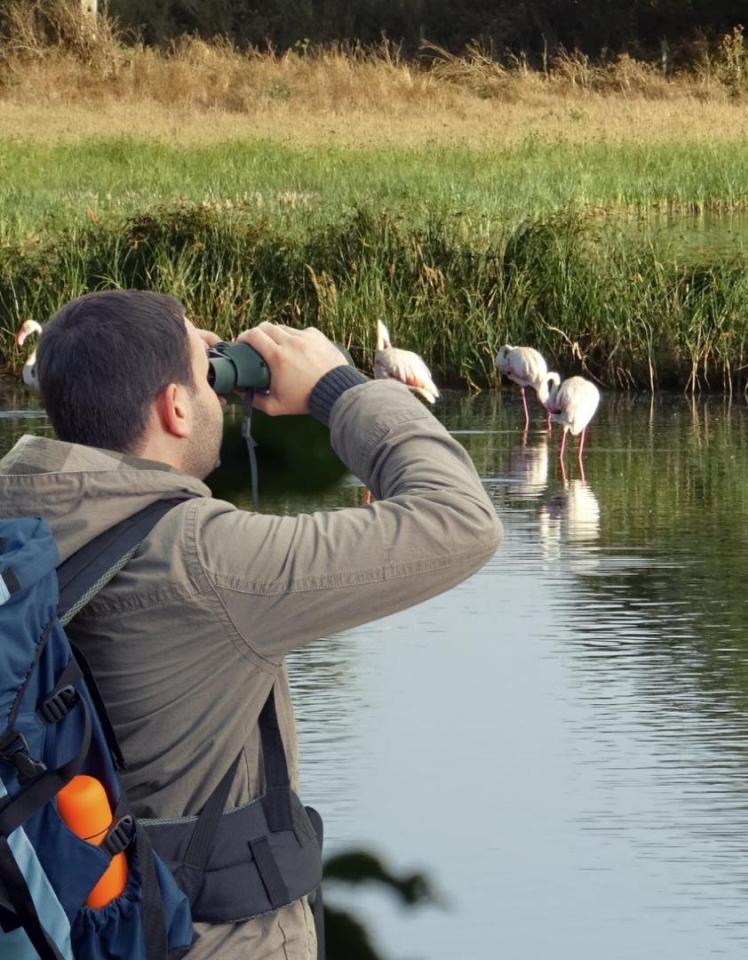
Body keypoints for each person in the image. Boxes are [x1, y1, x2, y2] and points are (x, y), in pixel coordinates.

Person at [0, 291, 502, 958]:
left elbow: (107, 388)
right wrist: (338, 388)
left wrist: (164, 348)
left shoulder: (15, 534)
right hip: (207, 940)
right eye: (203, 377)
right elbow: (460, 521)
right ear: (174, 408)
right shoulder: (206, 562)